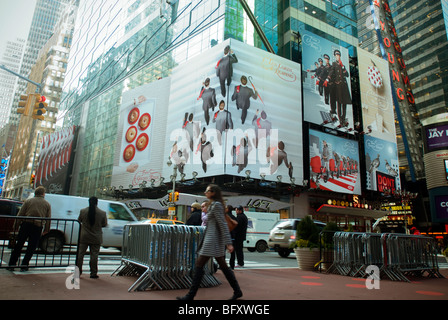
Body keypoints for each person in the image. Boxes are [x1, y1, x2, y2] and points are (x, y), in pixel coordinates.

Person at [177, 184, 242, 300]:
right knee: (223, 266)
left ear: (213, 193)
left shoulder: (216, 205)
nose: (205, 193)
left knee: (199, 264)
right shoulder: (213, 205)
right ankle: (237, 291)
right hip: (212, 239)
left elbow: (222, 224)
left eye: (207, 191)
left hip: (213, 240)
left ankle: (190, 295)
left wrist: (228, 243)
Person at [8, 186, 51, 271]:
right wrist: (46, 229)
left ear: (35, 193)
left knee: (19, 244)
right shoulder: (47, 204)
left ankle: (12, 264)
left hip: (26, 224)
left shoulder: (28, 201)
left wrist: (16, 226)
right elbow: (48, 218)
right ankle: (24, 265)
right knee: (31, 247)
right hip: (37, 226)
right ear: (43, 194)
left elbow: (20, 214)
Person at [76, 196, 107, 278]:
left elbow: (79, 220)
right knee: (94, 255)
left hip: (84, 236)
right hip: (96, 237)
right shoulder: (102, 213)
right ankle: (93, 273)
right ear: (97, 202)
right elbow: (104, 224)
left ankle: (78, 272)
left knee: (80, 255)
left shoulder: (83, 211)